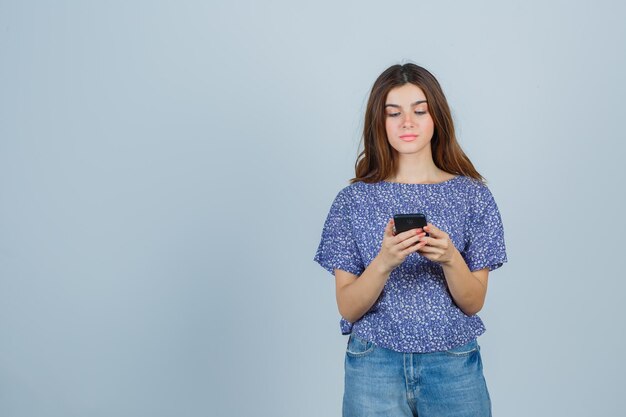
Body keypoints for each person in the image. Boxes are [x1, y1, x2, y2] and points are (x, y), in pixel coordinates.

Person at [313, 63, 507, 417]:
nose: (407, 122)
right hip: (375, 363)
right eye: (394, 113)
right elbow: (348, 307)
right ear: (379, 122)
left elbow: (473, 302)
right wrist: (383, 262)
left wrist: (450, 259)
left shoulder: (472, 196)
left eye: (420, 110)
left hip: (452, 363)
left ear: (437, 118)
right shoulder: (352, 201)